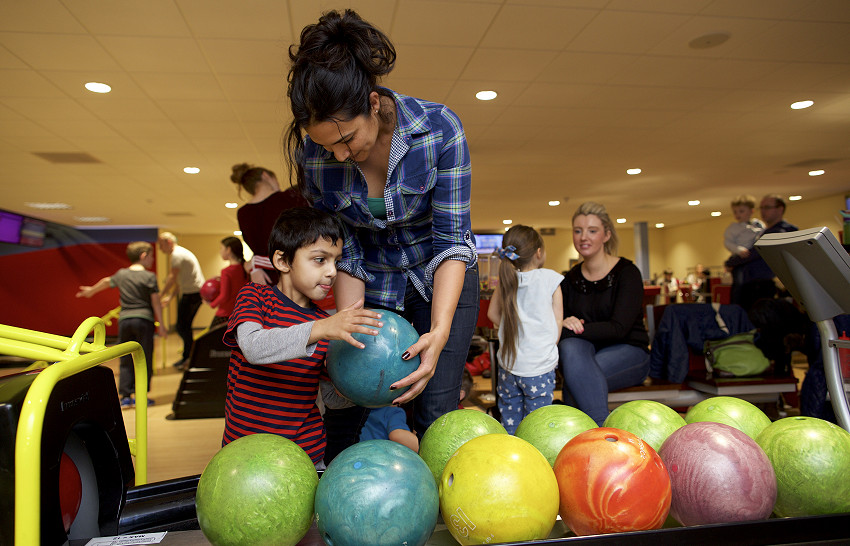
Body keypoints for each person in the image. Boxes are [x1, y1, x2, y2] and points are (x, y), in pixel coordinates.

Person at [284, 9, 479, 444]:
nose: (337, 155)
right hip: (368, 277)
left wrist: (439, 331)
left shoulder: (439, 130)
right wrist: (348, 324)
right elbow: (344, 248)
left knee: (433, 409)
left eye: (347, 139)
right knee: (347, 402)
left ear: (374, 104)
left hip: (439, 273)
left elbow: (451, 241)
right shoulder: (315, 158)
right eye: (325, 145)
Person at [221, 208, 383, 467]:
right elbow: (253, 347)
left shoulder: (325, 325)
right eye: (320, 259)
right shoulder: (255, 297)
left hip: (306, 457)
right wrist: (321, 328)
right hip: (244, 455)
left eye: (336, 261)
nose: (332, 272)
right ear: (283, 261)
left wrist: (376, 384)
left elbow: (331, 398)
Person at [558, 202, 650, 426]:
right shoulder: (570, 279)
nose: (583, 237)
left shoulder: (627, 273)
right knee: (570, 350)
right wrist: (564, 321)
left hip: (630, 352)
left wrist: (577, 329)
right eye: (578, 231)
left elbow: (619, 328)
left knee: (575, 380)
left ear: (606, 235)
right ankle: (600, 435)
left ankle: (594, 432)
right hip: (582, 354)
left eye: (592, 231)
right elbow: (562, 329)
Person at [486, 225, 563, 434]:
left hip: (509, 366)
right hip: (539, 368)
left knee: (510, 424)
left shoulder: (506, 280)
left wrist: (508, 328)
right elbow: (557, 324)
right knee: (537, 427)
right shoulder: (551, 279)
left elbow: (492, 315)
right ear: (539, 252)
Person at [76, 242, 167, 408]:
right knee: (144, 357)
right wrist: (161, 324)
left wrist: (91, 291)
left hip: (125, 320)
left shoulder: (122, 274)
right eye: (151, 256)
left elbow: (105, 281)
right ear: (143, 256)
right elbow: (155, 302)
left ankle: (125, 396)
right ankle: (141, 396)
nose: (152, 259)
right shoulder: (149, 276)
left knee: (125, 358)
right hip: (143, 320)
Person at [230, 163, 309, 285]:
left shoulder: (243, 213)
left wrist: (255, 264)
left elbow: (257, 249)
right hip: (296, 276)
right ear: (266, 176)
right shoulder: (289, 198)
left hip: (265, 280)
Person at [726, 194, 799, 310]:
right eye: (762, 208)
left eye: (767, 207)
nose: (763, 211)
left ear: (780, 209)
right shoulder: (762, 230)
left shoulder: (781, 231)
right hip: (752, 284)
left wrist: (730, 262)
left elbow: (755, 252)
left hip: (760, 285)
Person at [158, 232, 205, 369]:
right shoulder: (180, 254)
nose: (160, 249)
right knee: (184, 327)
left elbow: (172, 278)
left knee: (182, 327)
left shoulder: (177, 255)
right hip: (191, 293)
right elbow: (180, 282)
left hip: (193, 294)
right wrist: (170, 297)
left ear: (169, 243)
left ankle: (189, 357)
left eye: (161, 245)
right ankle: (188, 356)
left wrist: (160, 296)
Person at [207, 236, 249, 329]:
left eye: (221, 248)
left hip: (225, 314)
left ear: (228, 249)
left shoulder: (226, 271)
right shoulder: (245, 268)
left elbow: (224, 296)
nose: (220, 251)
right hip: (241, 314)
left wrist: (212, 304)